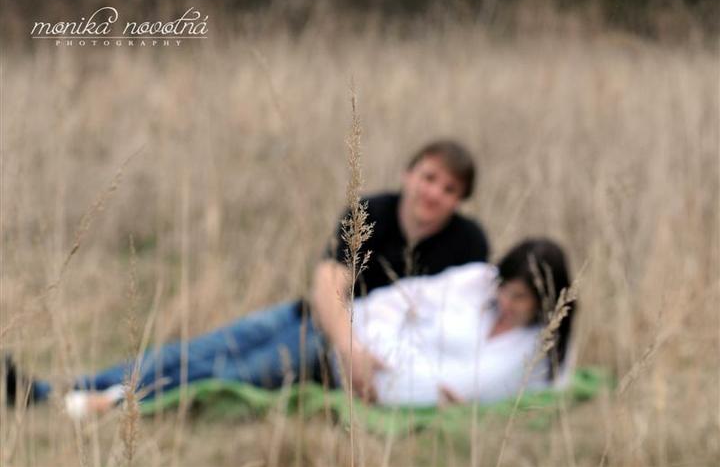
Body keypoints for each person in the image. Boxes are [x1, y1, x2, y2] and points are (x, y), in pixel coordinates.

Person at [3, 140, 491, 416]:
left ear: (459, 200)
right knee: (189, 354)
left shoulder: (468, 245)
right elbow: (329, 280)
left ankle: (105, 405)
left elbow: (455, 323)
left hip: (340, 353)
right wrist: (349, 347)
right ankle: (48, 392)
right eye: (429, 178)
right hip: (315, 321)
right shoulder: (371, 211)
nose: (434, 193)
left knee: (229, 375)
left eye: (449, 189)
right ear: (409, 174)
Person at [353, 238, 576, 406]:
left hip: (399, 390)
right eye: (504, 289)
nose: (505, 302)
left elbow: (477, 388)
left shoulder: (545, 346)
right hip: (371, 350)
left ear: (544, 300)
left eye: (519, 297)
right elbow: (391, 301)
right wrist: (361, 348)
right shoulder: (479, 281)